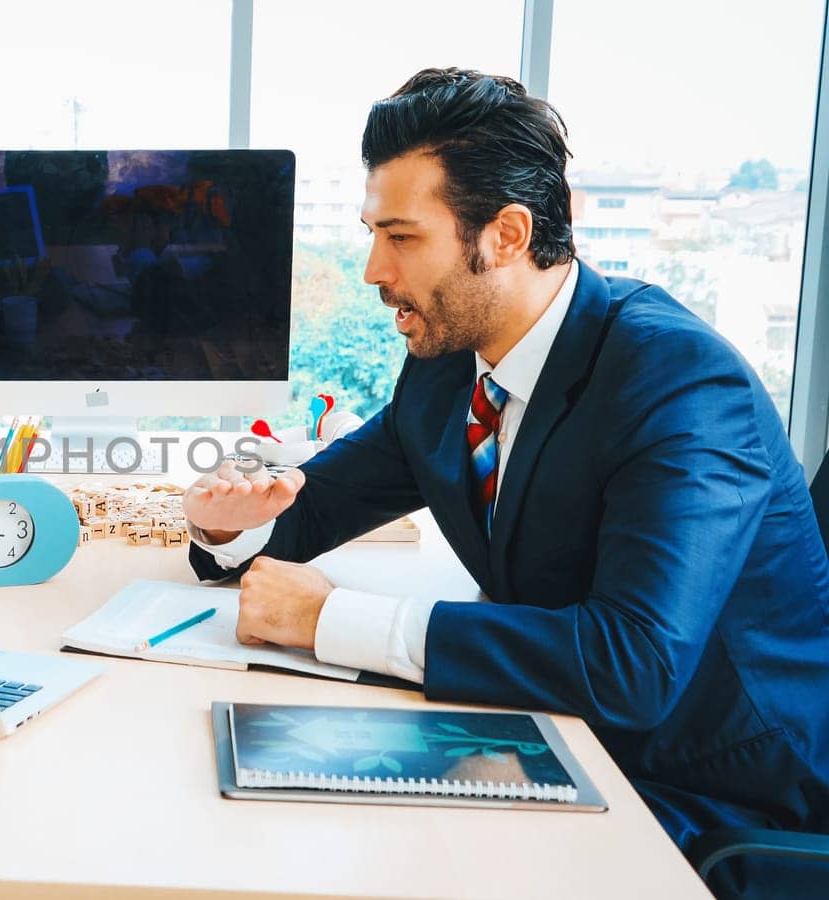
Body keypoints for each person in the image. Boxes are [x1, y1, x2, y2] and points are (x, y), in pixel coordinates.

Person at [183, 69, 829, 895]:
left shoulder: (678, 384)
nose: (372, 269)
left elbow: (631, 665)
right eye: (372, 233)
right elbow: (315, 506)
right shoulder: (449, 367)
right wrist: (231, 528)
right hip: (551, 735)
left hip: (708, 798)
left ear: (507, 234)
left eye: (403, 237)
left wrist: (332, 619)